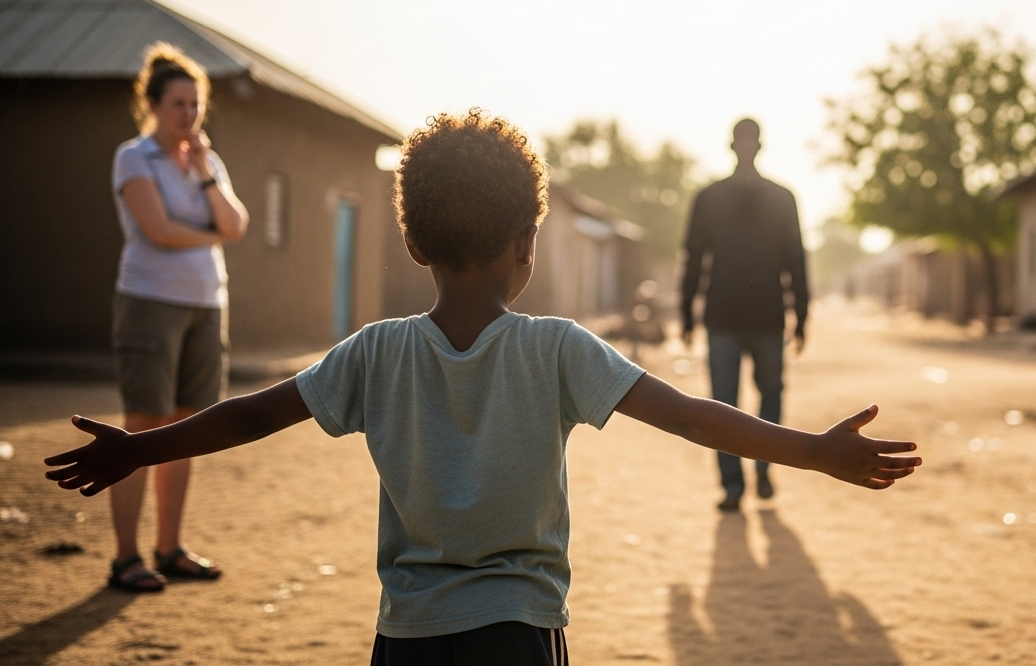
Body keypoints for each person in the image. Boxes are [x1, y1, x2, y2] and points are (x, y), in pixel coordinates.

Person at [45, 109, 920, 666]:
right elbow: (695, 418)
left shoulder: (375, 352)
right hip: (519, 630)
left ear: (415, 245)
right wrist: (811, 451)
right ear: (527, 247)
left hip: (406, 637)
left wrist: (140, 447)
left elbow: (250, 417)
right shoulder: (558, 351)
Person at [104, 42, 249, 591]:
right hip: (149, 303)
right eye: (178, 104)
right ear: (154, 104)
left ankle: (169, 549)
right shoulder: (132, 157)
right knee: (142, 426)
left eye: (195, 104)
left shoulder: (209, 162)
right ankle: (125, 557)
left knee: (186, 431)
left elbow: (237, 225)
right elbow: (158, 231)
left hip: (208, 305)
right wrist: (210, 235)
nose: (188, 114)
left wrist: (207, 174)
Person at [680, 118, 810, 511]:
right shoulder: (776, 197)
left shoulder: (715, 196)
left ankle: (749, 477)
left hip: (745, 316)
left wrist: (801, 316)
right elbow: (694, 261)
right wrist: (687, 314)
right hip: (744, 316)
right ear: (748, 146)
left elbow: (796, 260)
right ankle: (743, 480)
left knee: (734, 402)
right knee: (738, 403)